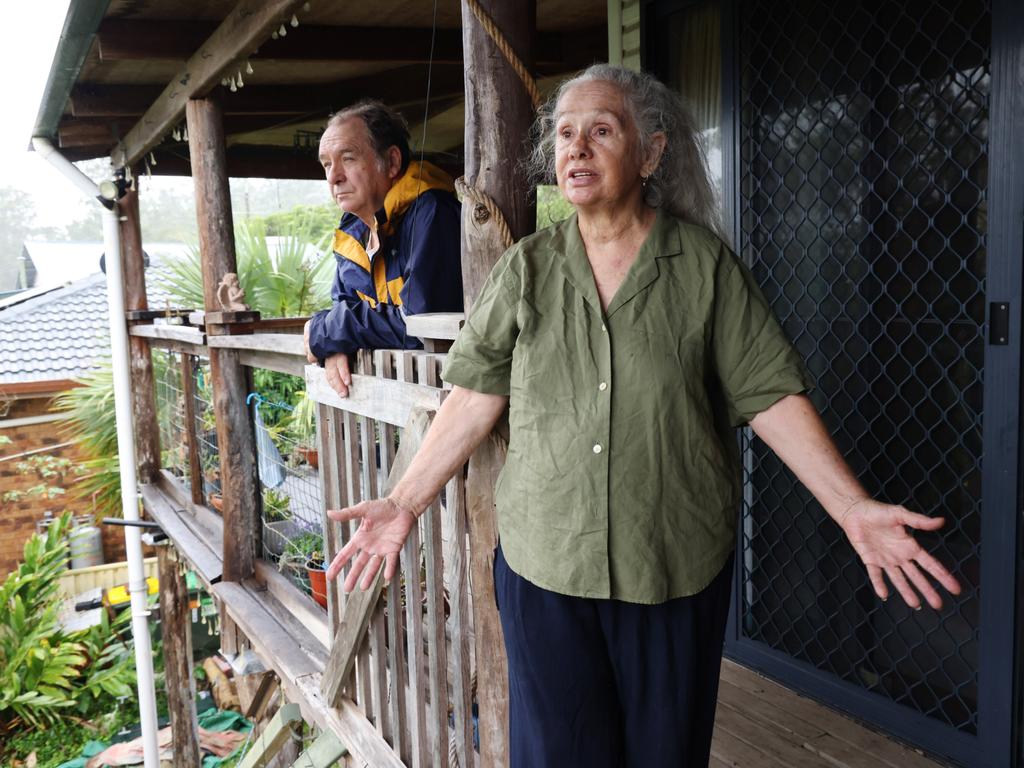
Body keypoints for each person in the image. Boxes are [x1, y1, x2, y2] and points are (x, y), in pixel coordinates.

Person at [324, 65, 962, 767]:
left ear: (651, 153)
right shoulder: (526, 270)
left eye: (602, 130)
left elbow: (771, 394)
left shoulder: (704, 270)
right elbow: (474, 396)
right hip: (547, 568)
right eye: (566, 135)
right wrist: (403, 501)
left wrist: (851, 510)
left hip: (672, 566)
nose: (577, 149)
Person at [303, 100, 463, 397]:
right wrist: (334, 345)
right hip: (405, 399)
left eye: (348, 158)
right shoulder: (354, 231)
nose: (333, 176)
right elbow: (343, 306)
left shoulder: (433, 213)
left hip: (453, 399)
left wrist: (330, 333)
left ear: (391, 162)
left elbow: (420, 326)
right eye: (326, 163)